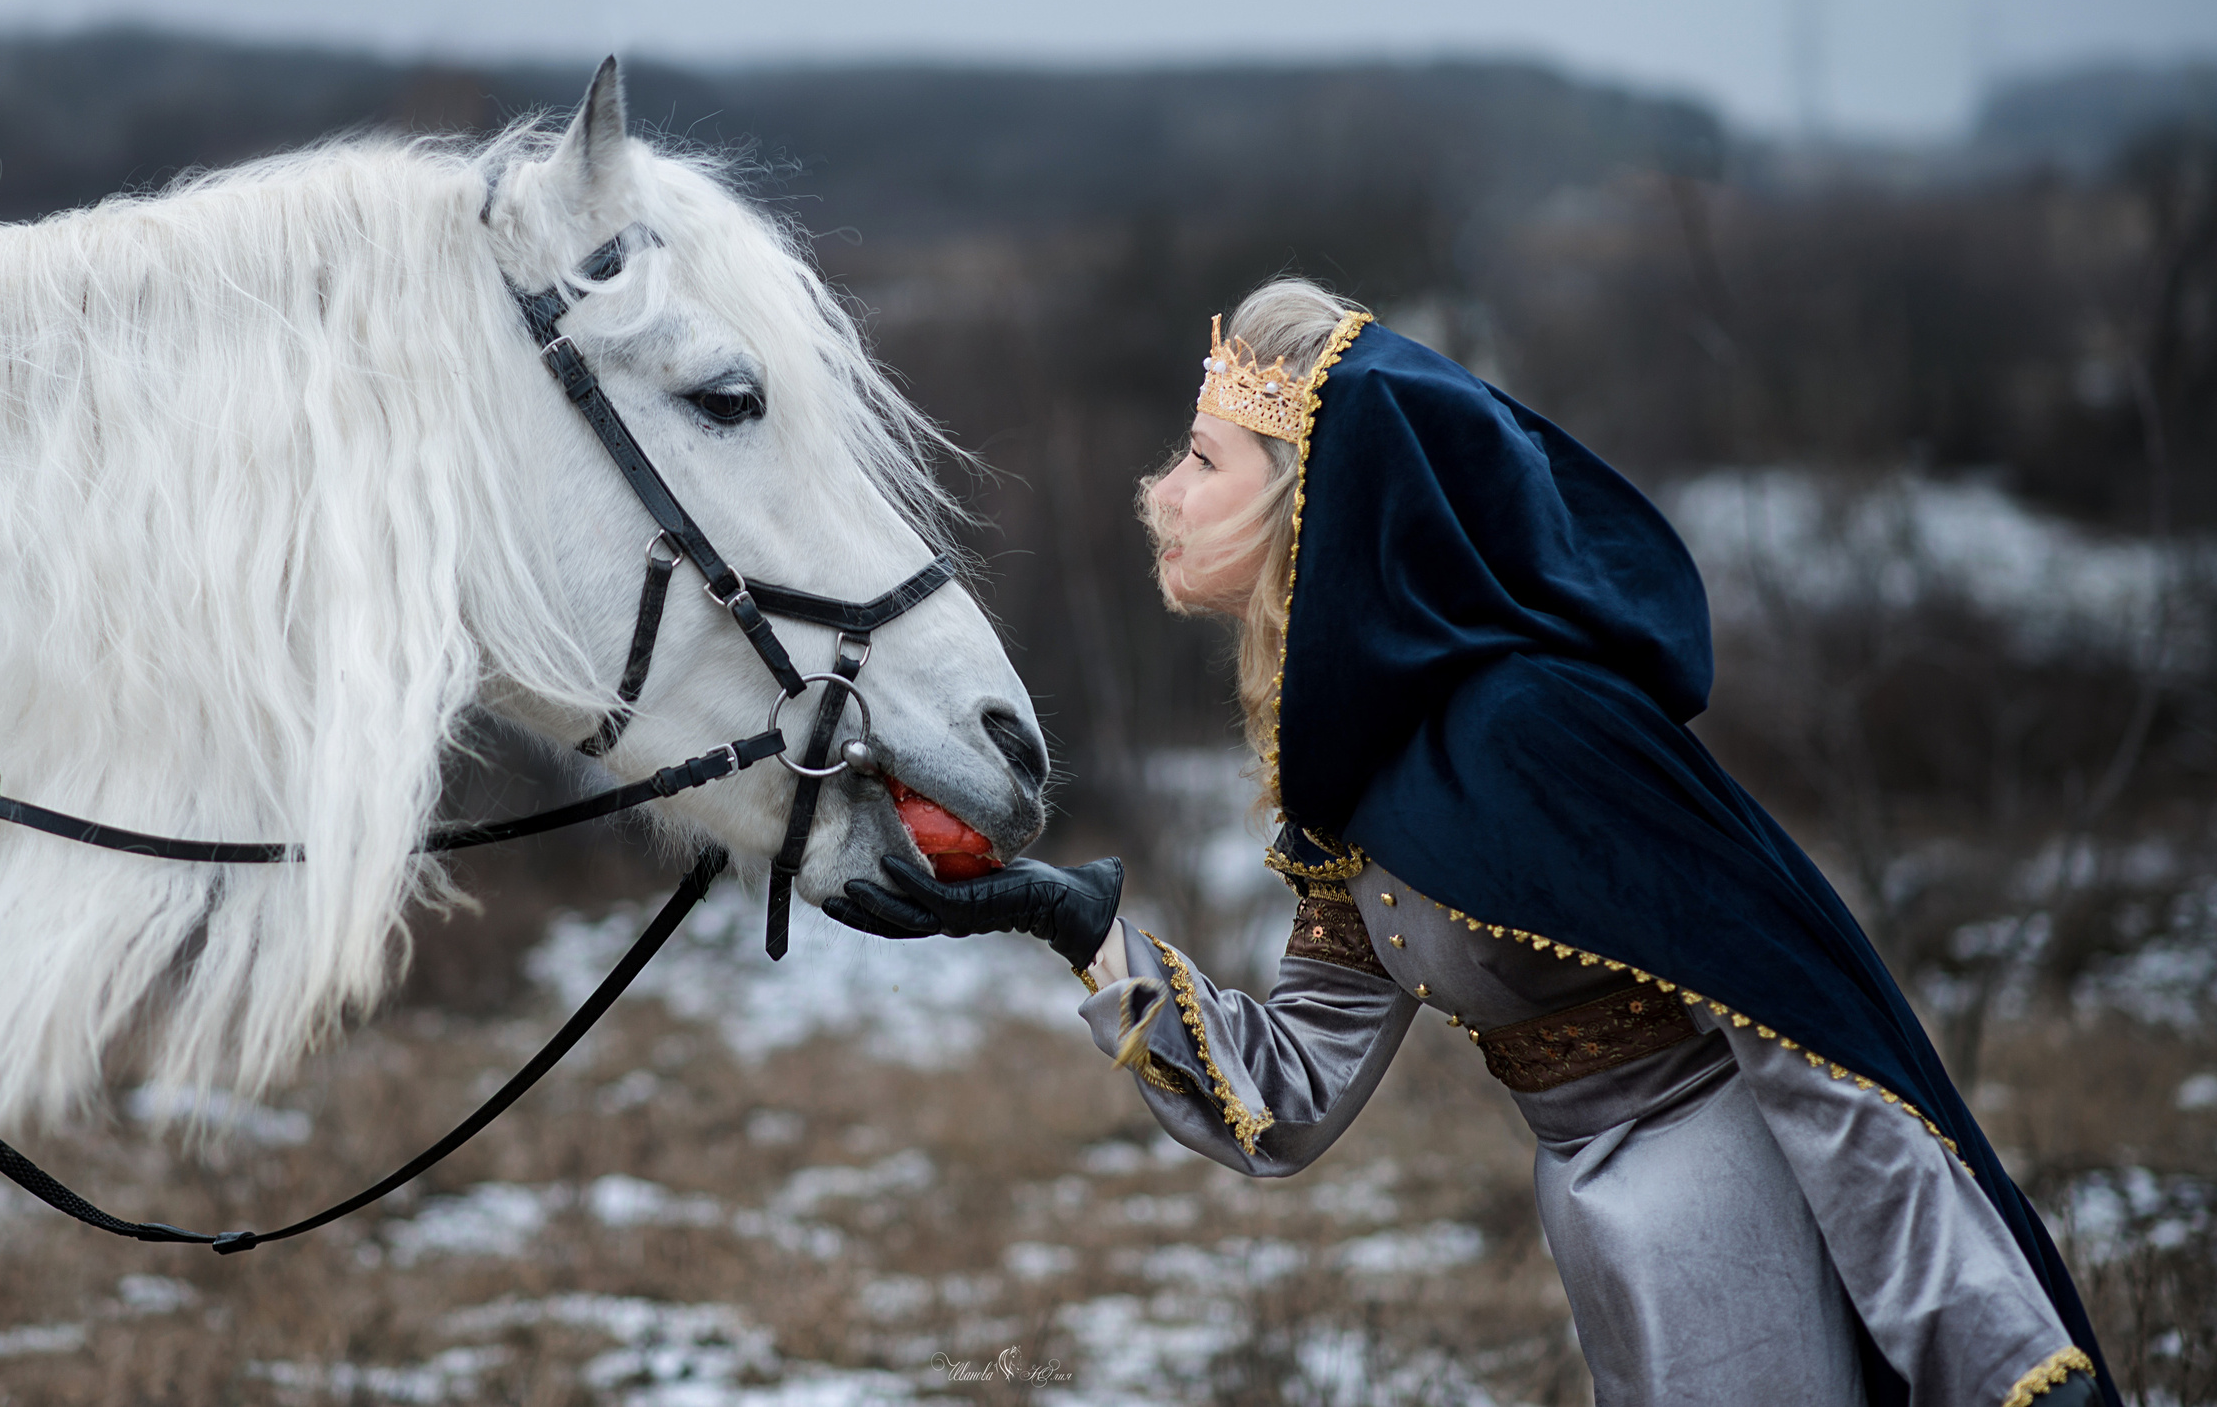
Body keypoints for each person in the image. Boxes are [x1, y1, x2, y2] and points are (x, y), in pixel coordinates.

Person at [826, 279, 2114, 1407]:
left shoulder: (1535, 732)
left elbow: (1811, 1051)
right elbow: (1284, 1101)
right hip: (1600, 1212)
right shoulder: (1361, 769)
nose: (1160, 491)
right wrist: (1073, 921)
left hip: (1720, 1202)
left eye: (1205, 461)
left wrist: (1999, 1360)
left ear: (1312, 505)